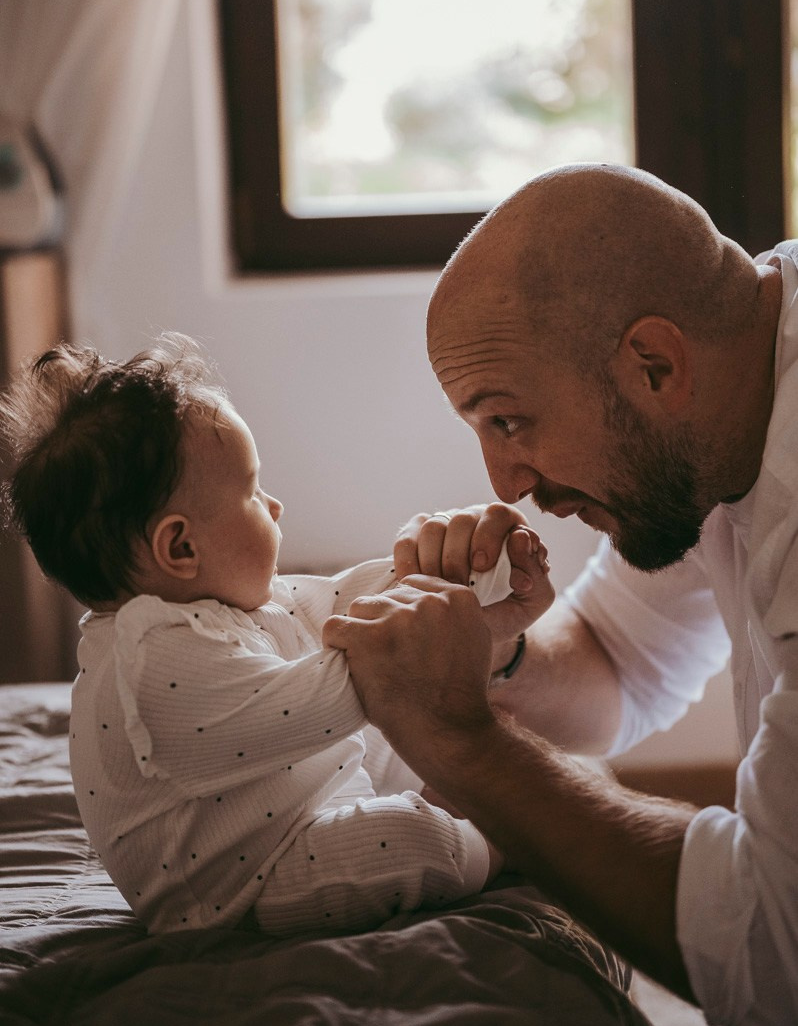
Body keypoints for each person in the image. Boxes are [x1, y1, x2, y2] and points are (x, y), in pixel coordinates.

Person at [324, 163, 798, 1026]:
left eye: (507, 420)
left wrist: (462, 744)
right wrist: (494, 655)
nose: (503, 482)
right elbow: (622, 665)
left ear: (655, 365)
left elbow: (775, 956)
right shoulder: (732, 397)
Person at [0, 332, 555, 938]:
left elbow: (338, 606)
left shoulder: (224, 605)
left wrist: (458, 579)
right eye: (252, 490)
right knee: (408, 839)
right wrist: (423, 633)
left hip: (300, 805)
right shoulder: (149, 660)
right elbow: (315, 699)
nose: (276, 505)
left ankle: (463, 806)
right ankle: (494, 842)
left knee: (414, 736)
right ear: (181, 546)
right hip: (243, 885)